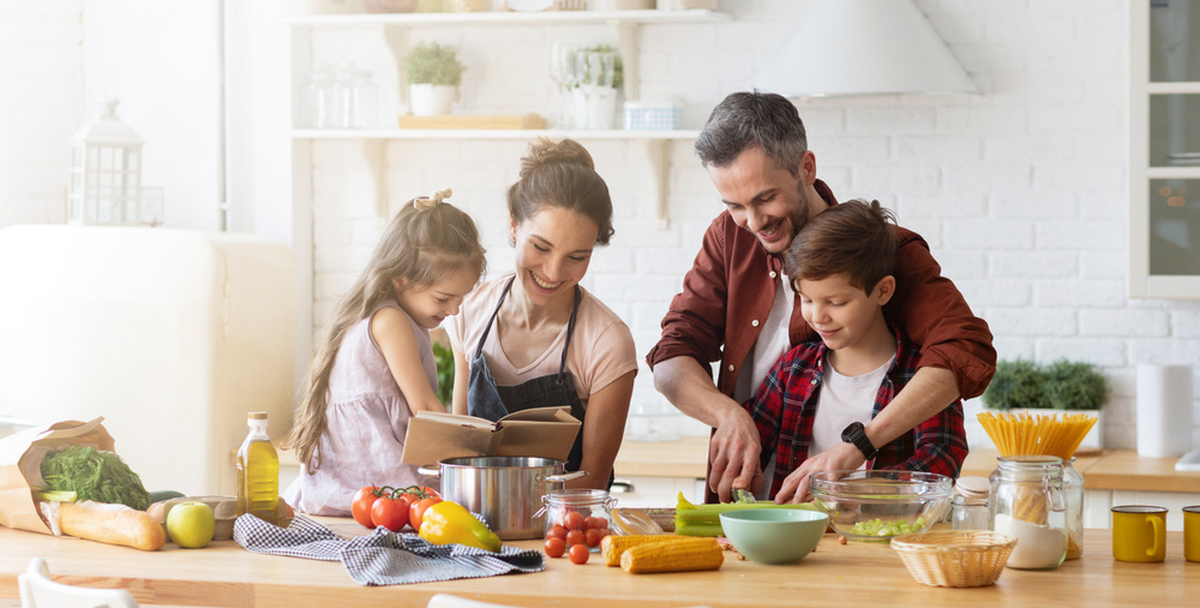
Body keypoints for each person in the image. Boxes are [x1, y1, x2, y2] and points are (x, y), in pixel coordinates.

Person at [646, 91, 994, 502]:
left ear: (806, 167)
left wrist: (858, 449)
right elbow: (671, 356)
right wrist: (727, 414)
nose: (753, 222)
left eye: (765, 198)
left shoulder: (882, 251)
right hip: (759, 508)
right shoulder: (729, 236)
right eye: (734, 205)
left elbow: (964, 348)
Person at [447, 138, 637, 491]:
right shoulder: (469, 311)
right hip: (474, 525)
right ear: (514, 226)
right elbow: (460, 450)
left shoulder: (606, 341)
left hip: (564, 531)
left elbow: (593, 480)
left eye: (576, 257)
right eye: (541, 247)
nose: (553, 272)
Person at [747, 199, 968, 503]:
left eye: (836, 303)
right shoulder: (792, 369)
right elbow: (751, 444)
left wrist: (853, 492)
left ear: (883, 291)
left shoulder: (922, 377)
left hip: (881, 541)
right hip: (795, 541)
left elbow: (941, 459)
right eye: (807, 300)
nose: (818, 317)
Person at [284, 189, 486, 515]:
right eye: (443, 298)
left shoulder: (383, 313)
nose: (454, 309)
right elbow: (423, 406)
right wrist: (466, 457)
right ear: (401, 279)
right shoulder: (391, 320)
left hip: (349, 487)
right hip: (376, 483)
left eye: (461, 299)